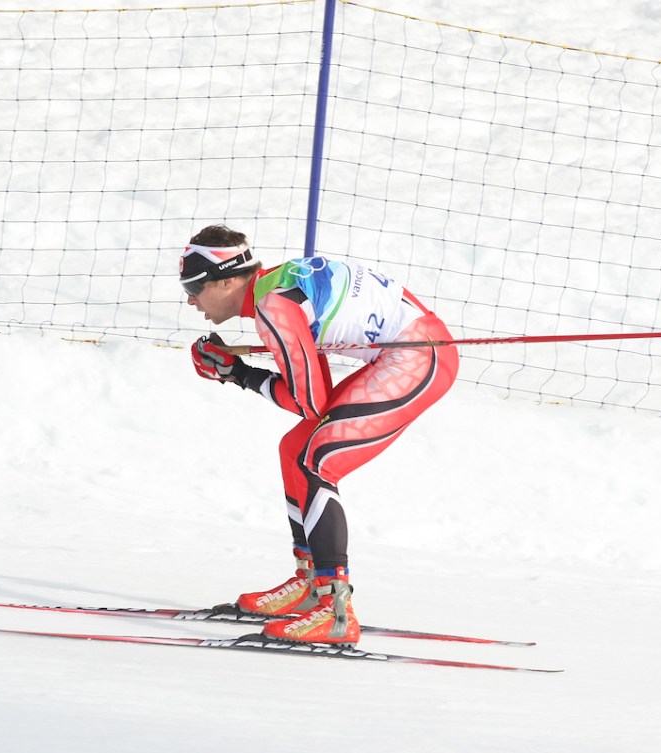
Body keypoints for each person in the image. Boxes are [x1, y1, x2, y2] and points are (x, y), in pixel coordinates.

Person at [181, 224, 459, 646]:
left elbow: (309, 402)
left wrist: (237, 373)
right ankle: (311, 583)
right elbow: (318, 393)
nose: (190, 299)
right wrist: (239, 371)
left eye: (194, 286)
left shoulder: (274, 308)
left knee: (317, 458)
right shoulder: (275, 289)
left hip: (419, 357)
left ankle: (335, 610)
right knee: (295, 447)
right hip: (412, 348)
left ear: (226, 281)